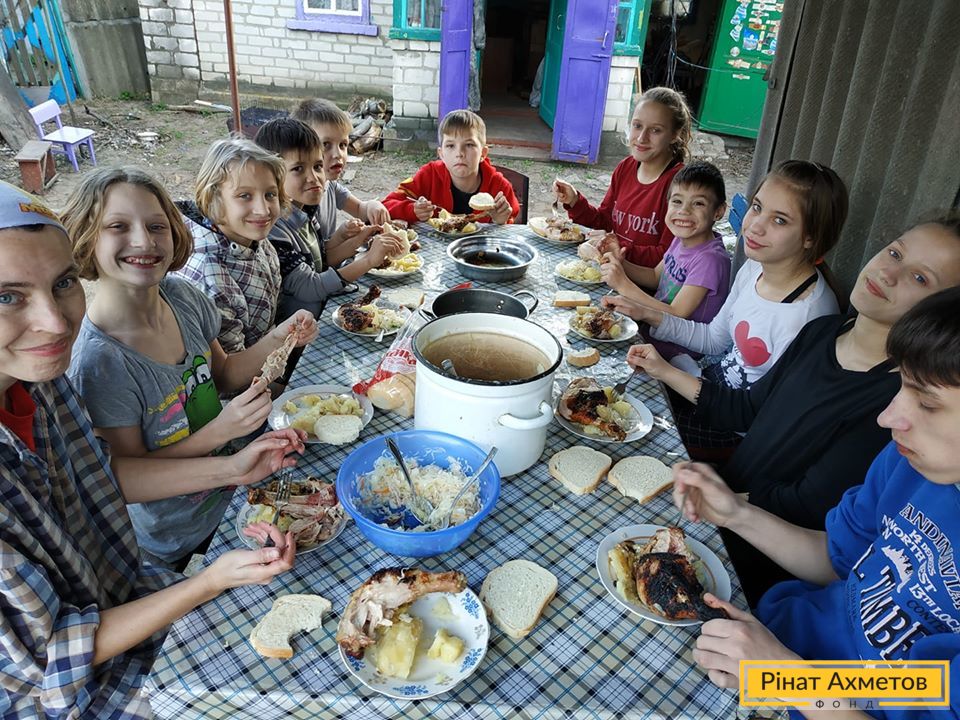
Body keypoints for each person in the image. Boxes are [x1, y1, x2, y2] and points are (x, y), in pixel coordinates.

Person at [0, 180, 301, 717]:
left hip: (124, 587)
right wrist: (207, 581)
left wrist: (233, 468)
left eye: (62, 283)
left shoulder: (43, 386)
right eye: (7, 296)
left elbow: (106, 476)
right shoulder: (92, 361)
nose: (54, 322)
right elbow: (51, 660)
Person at [629, 214, 960, 604]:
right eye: (895, 253)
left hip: (757, 566)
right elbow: (747, 409)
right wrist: (663, 370)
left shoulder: (899, 403)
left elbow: (804, 506)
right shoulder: (823, 331)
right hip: (720, 509)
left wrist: (719, 502)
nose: (888, 273)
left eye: (920, 278)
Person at [674, 285, 960, 720]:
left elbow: (923, 697)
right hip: (772, 638)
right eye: (902, 385)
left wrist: (785, 678)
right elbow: (838, 560)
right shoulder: (908, 464)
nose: (888, 418)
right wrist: (736, 513)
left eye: (927, 403)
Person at [61, 166, 318, 569]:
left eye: (156, 226)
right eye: (117, 226)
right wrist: (222, 431)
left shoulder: (181, 297)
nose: (144, 241)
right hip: (180, 536)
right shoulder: (100, 363)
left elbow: (225, 374)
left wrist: (279, 337)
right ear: (85, 239)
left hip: (236, 491)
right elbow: (129, 472)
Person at [606, 159, 846, 456]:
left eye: (780, 220)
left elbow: (760, 416)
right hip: (709, 385)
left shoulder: (809, 317)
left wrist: (666, 371)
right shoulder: (755, 268)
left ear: (811, 237)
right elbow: (712, 339)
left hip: (735, 432)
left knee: (627, 435)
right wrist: (646, 313)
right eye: (757, 207)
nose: (755, 226)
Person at [253, 118, 403, 320]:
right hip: (297, 331)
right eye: (298, 169)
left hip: (322, 311)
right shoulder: (273, 230)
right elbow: (310, 287)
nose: (314, 177)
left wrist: (358, 239)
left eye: (317, 166)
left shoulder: (305, 210)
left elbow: (323, 261)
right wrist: (368, 260)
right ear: (271, 176)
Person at [600, 160, 731, 361]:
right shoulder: (681, 239)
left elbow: (676, 314)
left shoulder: (710, 260)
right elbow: (655, 277)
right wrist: (620, 264)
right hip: (652, 333)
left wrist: (624, 285)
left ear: (718, 211)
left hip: (678, 355)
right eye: (677, 201)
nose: (684, 211)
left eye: (698, 203)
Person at [553, 86, 692, 270]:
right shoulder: (625, 168)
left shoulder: (680, 185)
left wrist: (618, 247)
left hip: (644, 282)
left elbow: (667, 256)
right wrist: (574, 200)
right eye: (637, 126)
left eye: (656, 130)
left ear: (675, 134)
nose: (641, 138)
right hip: (614, 271)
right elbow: (604, 221)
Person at [174, 137, 286, 353]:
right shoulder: (209, 275)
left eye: (270, 194)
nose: (263, 210)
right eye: (245, 196)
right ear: (213, 198)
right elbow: (230, 365)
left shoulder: (252, 236)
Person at [382, 109, 520, 225]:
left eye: (469, 145)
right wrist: (412, 210)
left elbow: (514, 227)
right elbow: (386, 205)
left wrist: (501, 221)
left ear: (483, 153)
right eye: (450, 146)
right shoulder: (429, 176)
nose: (459, 153)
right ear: (441, 154)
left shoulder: (499, 188)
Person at [290, 98, 391, 238]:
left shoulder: (331, 186)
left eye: (342, 145)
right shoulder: (302, 198)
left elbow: (359, 209)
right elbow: (317, 251)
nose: (338, 154)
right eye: (326, 144)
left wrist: (372, 206)